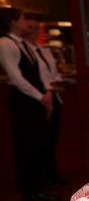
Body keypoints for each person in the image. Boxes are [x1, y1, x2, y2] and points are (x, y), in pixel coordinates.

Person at [0, 8, 59, 201]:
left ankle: (37, 188)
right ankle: (30, 193)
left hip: (36, 99)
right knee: (26, 147)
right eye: (24, 18)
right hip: (23, 101)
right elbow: (16, 78)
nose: (28, 22)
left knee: (37, 145)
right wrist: (40, 96)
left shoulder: (23, 44)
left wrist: (47, 92)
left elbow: (40, 72)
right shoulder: (6, 44)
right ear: (13, 22)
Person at [23, 15, 70, 188]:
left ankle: (51, 174)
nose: (34, 31)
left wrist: (55, 84)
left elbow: (54, 72)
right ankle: (39, 179)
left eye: (37, 28)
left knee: (51, 139)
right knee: (38, 141)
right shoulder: (23, 50)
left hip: (53, 97)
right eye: (31, 28)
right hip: (37, 100)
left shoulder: (44, 51)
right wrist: (48, 89)